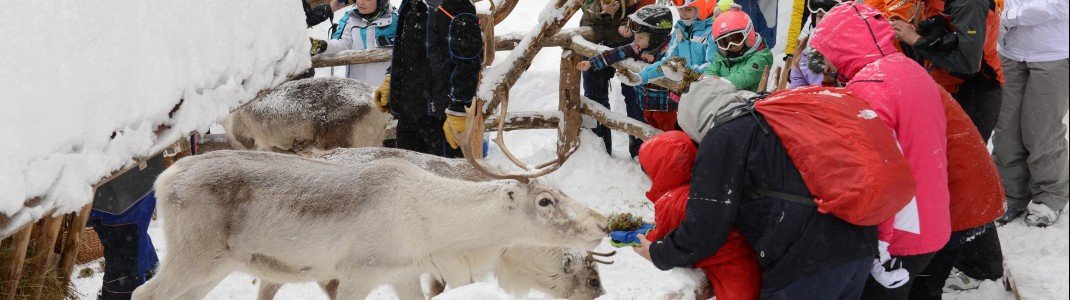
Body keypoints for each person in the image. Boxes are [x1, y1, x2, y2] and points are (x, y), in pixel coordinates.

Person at [633, 78, 878, 299]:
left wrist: (659, 253)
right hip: (857, 241)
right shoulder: (772, 115)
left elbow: (706, 227)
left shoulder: (724, 135)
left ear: (695, 122)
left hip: (806, 262)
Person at [809, 2, 950, 299]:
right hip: (931, 216)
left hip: (899, 235)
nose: (827, 63)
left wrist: (879, 245)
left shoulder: (870, 87)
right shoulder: (908, 67)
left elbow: (881, 174)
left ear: (843, 45)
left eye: (829, 51)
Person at [613, 130, 761, 300]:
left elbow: (661, 240)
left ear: (661, 172)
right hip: (749, 260)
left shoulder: (671, 202)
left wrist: (637, 236)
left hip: (732, 275)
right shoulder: (703, 189)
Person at [993, 0, 1069, 227]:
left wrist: (1008, 17)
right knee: (1005, 130)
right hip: (1010, 52)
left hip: (1052, 54)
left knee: (1041, 131)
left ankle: (1049, 196)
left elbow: (1059, 5)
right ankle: (1010, 194)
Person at [386, 0, 483, 158]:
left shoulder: (457, 5)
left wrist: (459, 108)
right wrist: (391, 78)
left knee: (445, 179)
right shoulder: (411, 3)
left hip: (441, 118)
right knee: (408, 179)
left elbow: (468, 61)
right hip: (409, 114)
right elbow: (405, 50)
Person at [578, 5, 678, 132]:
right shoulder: (638, 46)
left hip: (664, 107)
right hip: (645, 105)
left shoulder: (670, 50)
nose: (635, 40)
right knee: (647, 133)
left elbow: (675, 68)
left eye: (640, 37)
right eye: (635, 36)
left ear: (656, 37)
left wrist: (656, 60)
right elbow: (616, 53)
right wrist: (592, 63)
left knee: (666, 135)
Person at [580, 0, 646, 156]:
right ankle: (599, 147)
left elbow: (646, 8)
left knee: (636, 97)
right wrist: (600, 9)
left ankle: (640, 148)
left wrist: (629, 20)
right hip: (594, 44)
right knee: (595, 99)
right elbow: (582, 4)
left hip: (630, 46)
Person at [316, 0, 397, 89]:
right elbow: (343, 42)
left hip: (384, 90)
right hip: (356, 90)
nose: (360, 2)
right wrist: (323, 46)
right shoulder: (350, 18)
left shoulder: (397, 20)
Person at [700, 8, 773, 92]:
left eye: (736, 38)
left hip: (749, 101)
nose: (732, 45)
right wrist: (707, 78)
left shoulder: (760, 58)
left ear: (748, 34)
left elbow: (746, 75)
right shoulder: (722, 58)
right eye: (725, 42)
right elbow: (711, 70)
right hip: (724, 99)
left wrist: (721, 82)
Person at [787, 0, 840, 88]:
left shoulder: (848, 51)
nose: (823, 22)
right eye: (820, 16)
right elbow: (797, 87)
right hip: (811, 99)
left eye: (828, 17)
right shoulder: (804, 50)